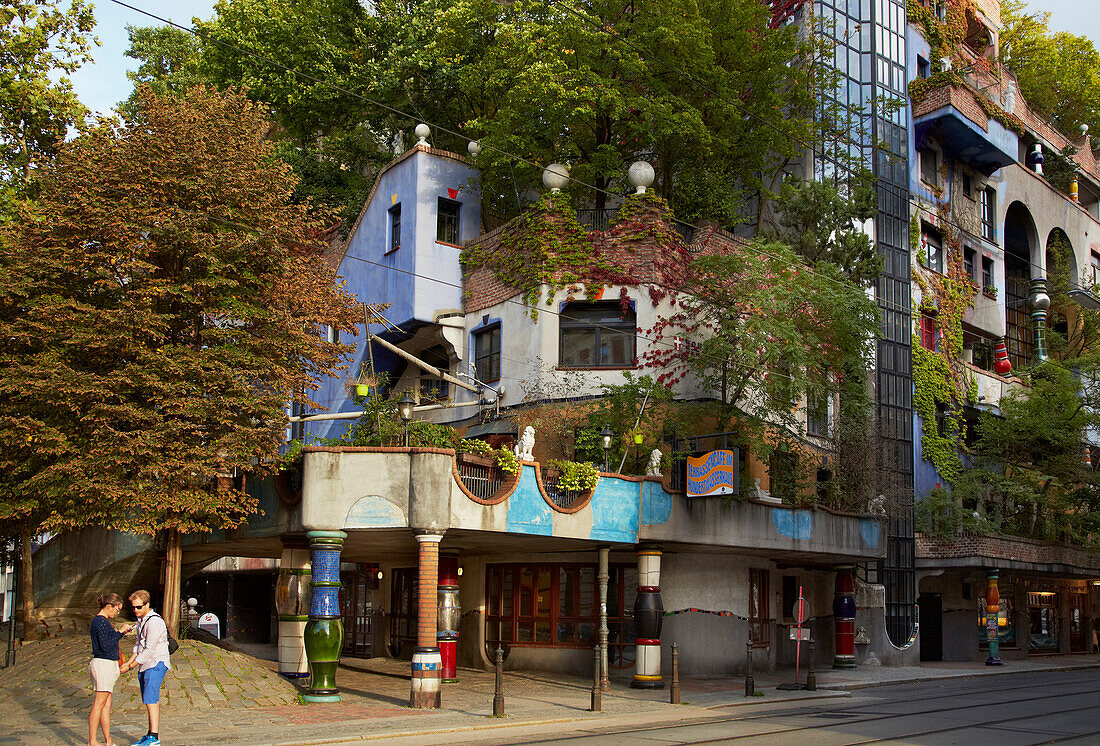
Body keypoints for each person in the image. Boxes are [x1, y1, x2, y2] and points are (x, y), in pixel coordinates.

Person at [121, 590, 170, 746]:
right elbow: (138, 645)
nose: (136, 610)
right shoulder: (141, 621)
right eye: (133, 607)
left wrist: (130, 667)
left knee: (151, 699)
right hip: (145, 664)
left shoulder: (154, 622)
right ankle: (150, 734)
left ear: (147, 604)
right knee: (147, 698)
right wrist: (128, 663)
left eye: (139, 607)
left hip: (156, 663)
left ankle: (154, 737)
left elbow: (149, 650)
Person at [89, 593, 135, 746]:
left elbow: (108, 642)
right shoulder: (100, 622)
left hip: (105, 663)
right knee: (99, 703)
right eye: (117, 609)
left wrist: (119, 634)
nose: (118, 612)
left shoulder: (102, 622)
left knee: (106, 704)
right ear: (109, 606)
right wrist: (120, 632)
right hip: (103, 664)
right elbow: (106, 645)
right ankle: (93, 741)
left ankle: (108, 740)